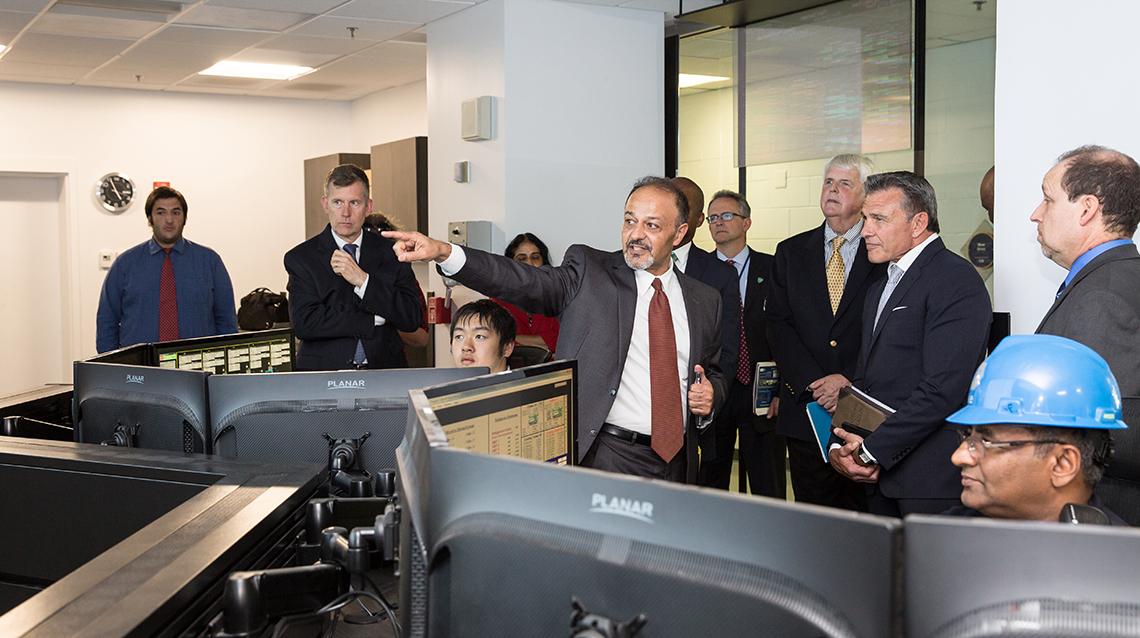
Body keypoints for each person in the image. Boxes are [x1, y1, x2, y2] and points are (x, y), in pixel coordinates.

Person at [384, 176, 726, 483]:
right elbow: (521, 280)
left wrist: (711, 396)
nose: (636, 234)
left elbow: (714, 372)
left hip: (678, 463)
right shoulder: (590, 274)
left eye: (651, 225)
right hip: (604, 455)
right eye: (629, 221)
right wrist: (446, 253)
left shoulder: (704, 300)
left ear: (679, 233)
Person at [828, 171, 991, 517]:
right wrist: (840, 444)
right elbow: (865, 382)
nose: (865, 230)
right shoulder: (880, 284)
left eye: (878, 219)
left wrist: (870, 451)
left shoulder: (954, 279)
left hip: (928, 481)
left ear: (918, 223)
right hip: (879, 475)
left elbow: (943, 389)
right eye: (864, 219)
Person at [766, 154, 884, 511]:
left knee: (860, 519)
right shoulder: (790, 252)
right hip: (806, 408)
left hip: (864, 409)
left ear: (865, 195)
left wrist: (847, 381)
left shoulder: (881, 251)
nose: (832, 190)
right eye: (828, 183)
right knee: (812, 520)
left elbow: (884, 328)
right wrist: (816, 382)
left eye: (844, 184)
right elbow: (778, 325)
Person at [943, 334, 1127, 524]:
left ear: (1062, 463)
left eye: (985, 441)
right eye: (967, 436)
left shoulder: (1118, 553)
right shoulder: (937, 539)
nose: (958, 457)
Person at [284, 164, 422, 371]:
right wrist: (372, 319)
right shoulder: (302, 258)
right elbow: (306, 324)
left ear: (368, 206)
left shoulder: (392, 252)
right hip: (323, 376)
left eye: (354, 202)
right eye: (337, 202)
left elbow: (410, 317)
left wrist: (364, 281)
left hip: (384, 371)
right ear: (325, 204)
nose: (345, 212)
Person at [1032, 145, 1140, 397]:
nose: (1035, 215)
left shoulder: (1102, 301)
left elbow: (1103, 425)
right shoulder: (1118, 279)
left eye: (1048, 200)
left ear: (1087, 209)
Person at [704, 189, 785, 498]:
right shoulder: (700, 272)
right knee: (711, 477)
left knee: (768, 478)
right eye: (713, 218)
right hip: (716, 387)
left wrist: (781, 390)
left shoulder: (774, 268)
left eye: (727, 215)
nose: (718, 223)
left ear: (747, 222)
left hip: (761, 387)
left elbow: (786, 331)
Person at [96, 186, 236, 353]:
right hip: (140, 368)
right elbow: (107, 320)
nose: (169, 220)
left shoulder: (210, 261)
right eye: (160, 212)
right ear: (150, 219)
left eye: (176, 212)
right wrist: (111, 364)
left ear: (185, 218)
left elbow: (226, 320)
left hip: (196, 365)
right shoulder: (125, 264)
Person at [670, 176, 742, 490]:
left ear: (698, 220)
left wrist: (711, 396)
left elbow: (725, 349)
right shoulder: (635, 263)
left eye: (684, 208)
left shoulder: (719, 275)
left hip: (698, 411)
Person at [365, 212, 430, 351]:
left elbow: (422, 338)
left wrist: (385, 319)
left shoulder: (404, 282)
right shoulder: (338, 275)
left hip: (388, 362)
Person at [493, 233, 561, 351]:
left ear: (543, 262)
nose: (529, 263)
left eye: (535, 257)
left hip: (554, 369)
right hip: (513, 368)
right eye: (522, 259)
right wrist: (544, 343)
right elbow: (496, 341)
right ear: (511, 264)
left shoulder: (559, 296)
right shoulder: (498, 301)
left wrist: (515, 339)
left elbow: (561, 341)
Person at [450, 299, 516, 374]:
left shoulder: (523, 385)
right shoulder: (441, 383)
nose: (466, 347)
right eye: (459, 337)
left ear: (507, 348)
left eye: (479, 337)